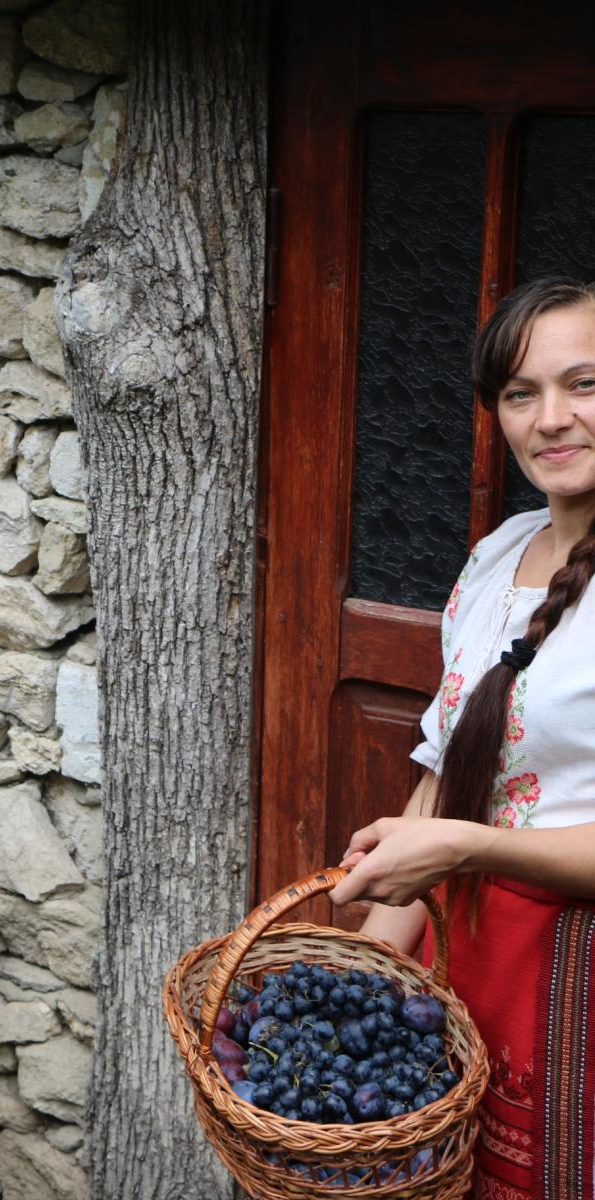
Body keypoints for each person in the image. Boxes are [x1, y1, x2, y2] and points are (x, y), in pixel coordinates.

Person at [327, 275, 595, 1200]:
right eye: (521, 393)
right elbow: (448, 774)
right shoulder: (496, 555)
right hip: (466, 946)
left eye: (584, 384)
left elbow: (456, 832)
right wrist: (373, 963)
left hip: (575, 970)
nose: (552, 418)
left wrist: (464, 848)